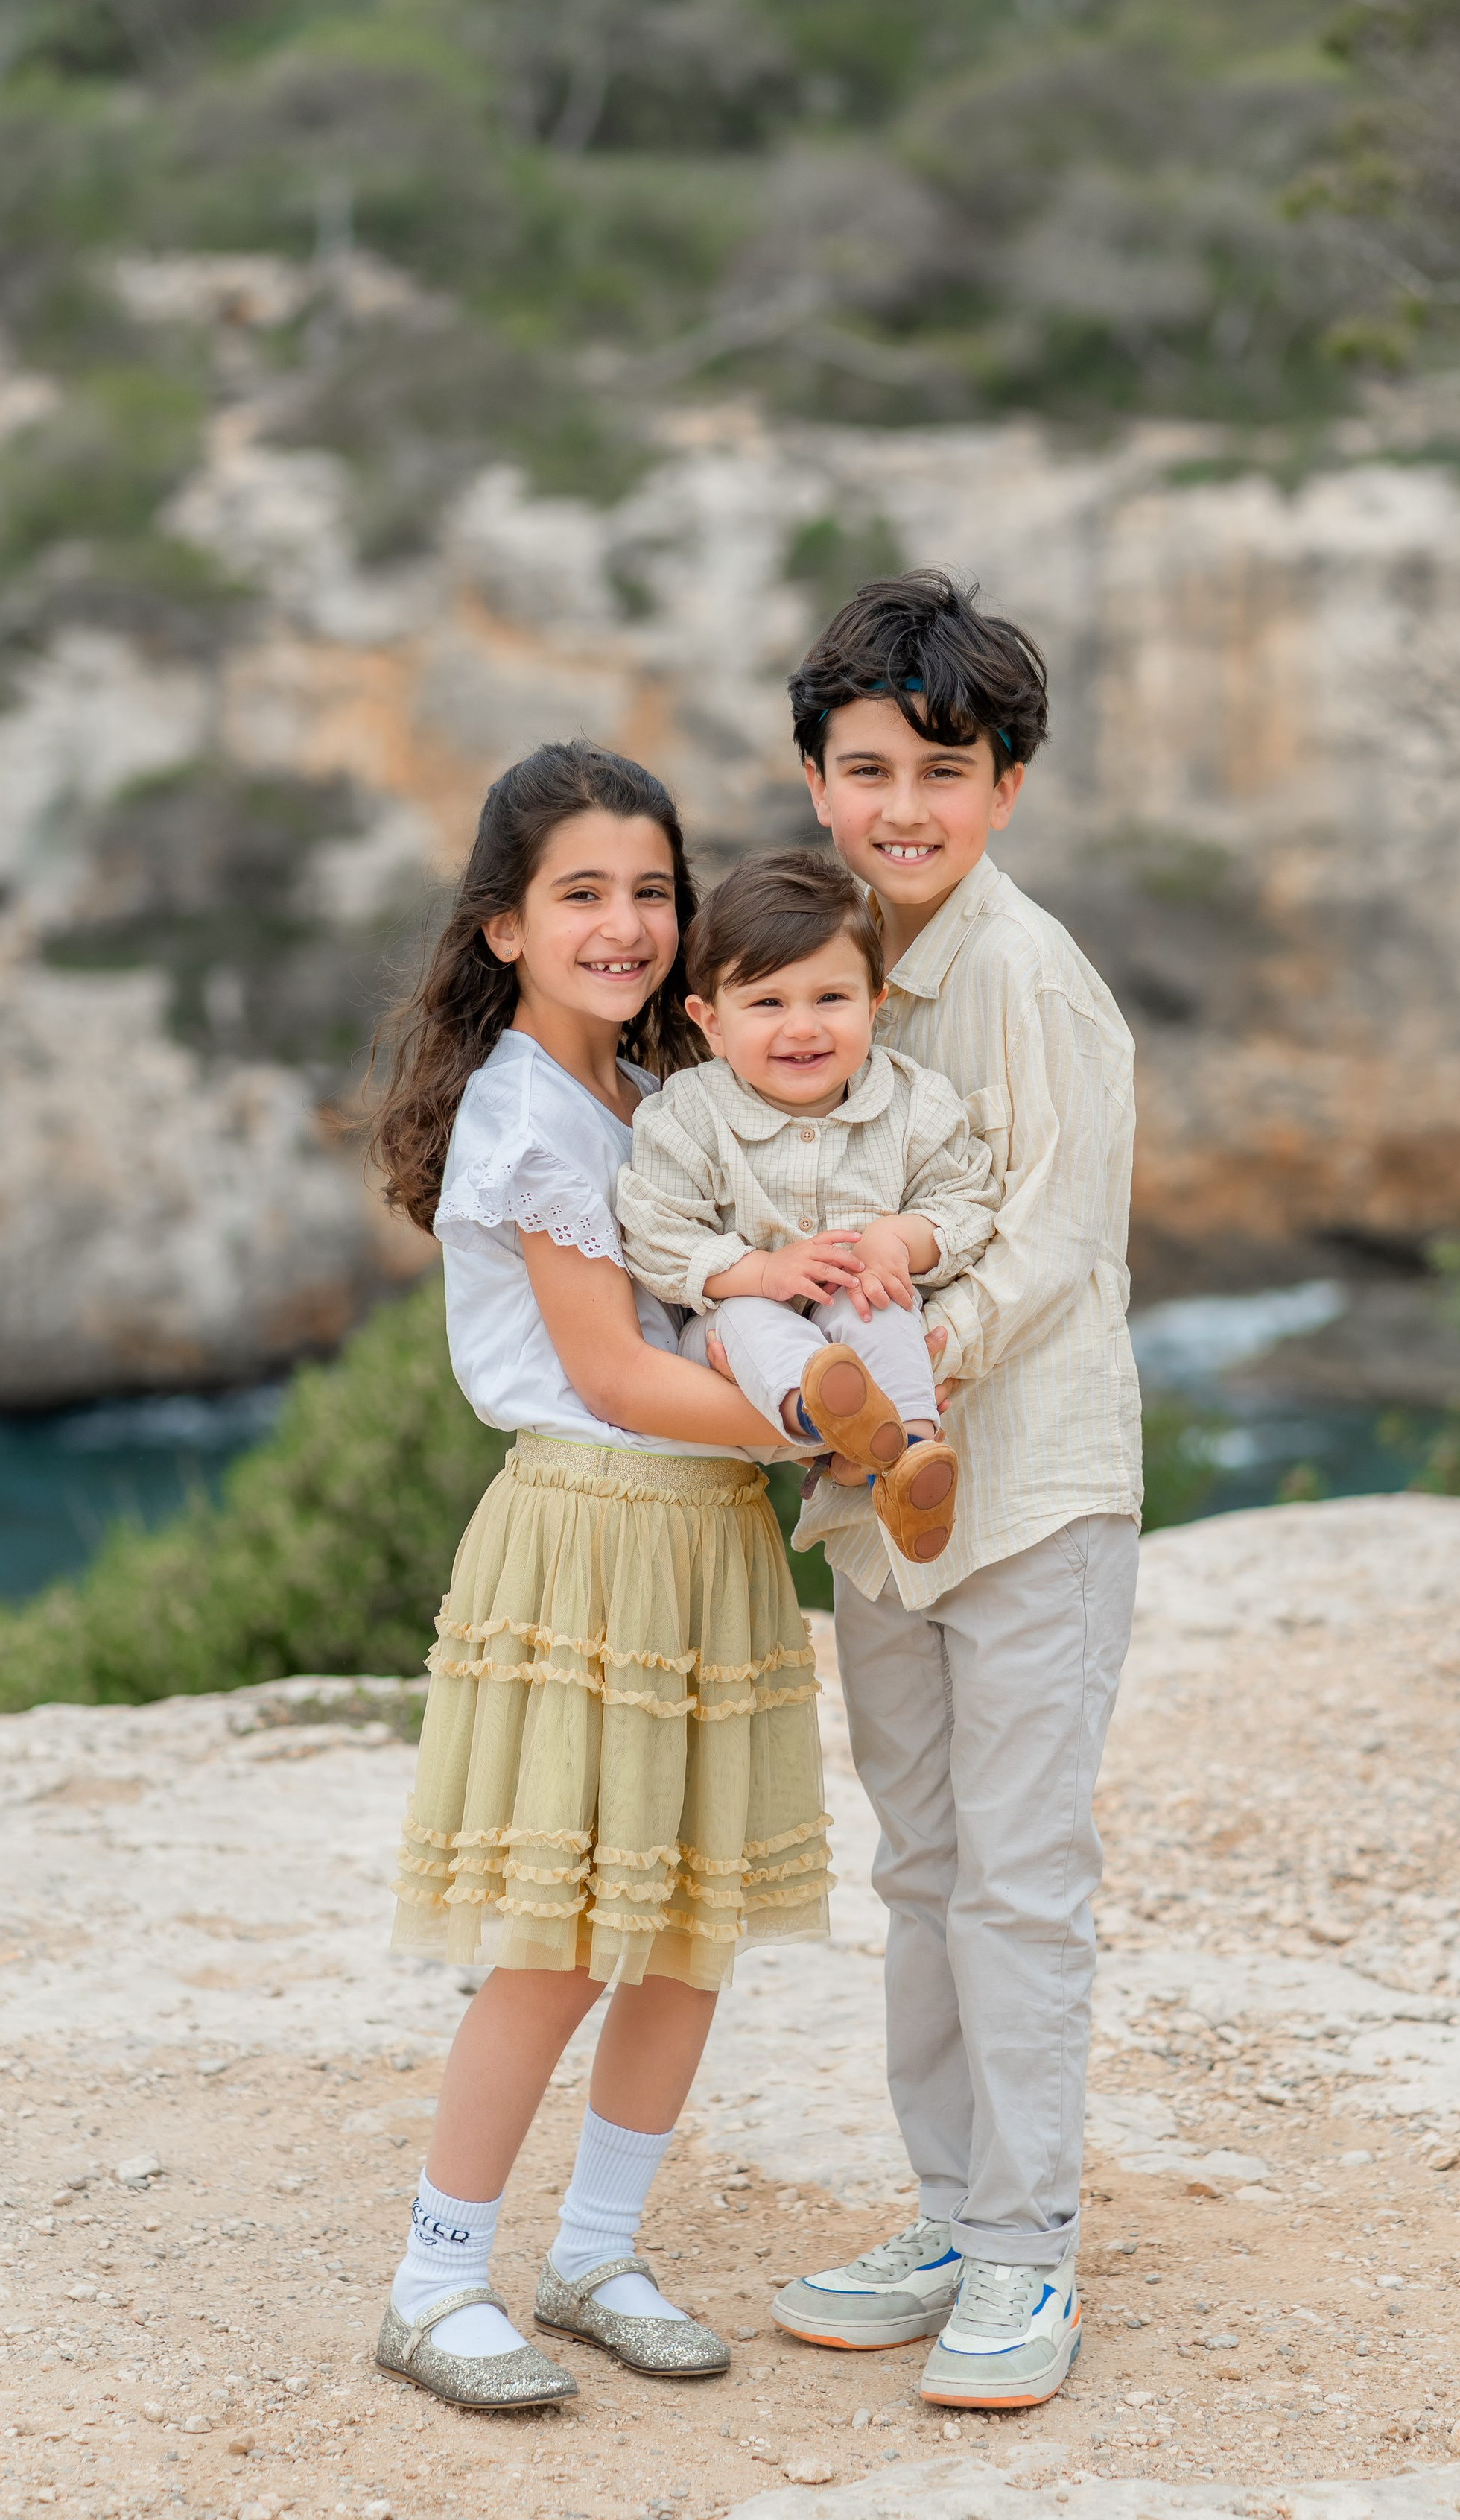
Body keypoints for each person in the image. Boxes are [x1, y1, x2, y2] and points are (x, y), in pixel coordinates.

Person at [366, 741, 832, 2413]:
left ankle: (594, 2252)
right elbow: (622, 1382)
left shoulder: (646, 1100)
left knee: (687, 1924)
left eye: (651, 890)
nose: (626, 923)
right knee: (563, 1934)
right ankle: (434, 2279)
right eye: (582, 893)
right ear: (502, 927)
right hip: (594, 1527)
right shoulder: (524, 1115)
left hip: (701, 1533)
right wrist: (822, 1433)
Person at [764, 572, 1143, 2412]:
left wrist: (894, 1385)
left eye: (941, 766)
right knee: (919, 1868)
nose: (899, 804)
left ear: (1004, 783)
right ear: (813, 778)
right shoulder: (828, 970)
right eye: (863, 767)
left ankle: (1025, 2254)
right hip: (876, 1503)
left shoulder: (1021, 974)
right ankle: (949, 2211)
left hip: (1026, 1491)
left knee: (1012, 1882)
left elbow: (1058, 1247)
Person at [616, 846, 1000, 1566]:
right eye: (767, 1003)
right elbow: (654, 1233)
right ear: (711, 1022)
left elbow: (968, 1199)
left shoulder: (914, 1104)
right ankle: (822, 1417)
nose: (802, 1028)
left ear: (876, 1002)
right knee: (755, 1322)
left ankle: (913, 1457)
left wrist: (903, 1239)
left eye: (831, 998)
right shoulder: (688, 1116)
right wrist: (755, 1271)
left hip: (856, 1308)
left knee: (880, 1303)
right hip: (733, 1333)